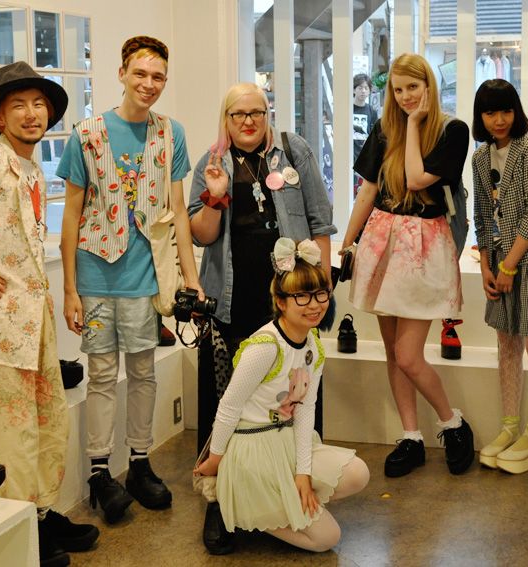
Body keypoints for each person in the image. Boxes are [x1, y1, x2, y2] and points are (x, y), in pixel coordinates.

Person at [0, 61, 98, 566]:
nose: (32, 114)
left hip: (31, 320)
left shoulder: (29, 168)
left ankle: (42, 514)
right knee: (13, 434)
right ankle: (22, 537)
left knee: (49, 421)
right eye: (19, 106)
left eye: (39, 104)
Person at [57, 35, 202, 523]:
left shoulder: (171, 133)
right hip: (96, 274)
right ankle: (100, 473)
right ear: (121, 73)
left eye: (158, 76)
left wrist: (190, 276)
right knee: (101, 375)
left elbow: (178, 211)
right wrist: (70, 289)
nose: (149, 83)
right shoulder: (87, 134)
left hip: (146, 275)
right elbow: (72, 214)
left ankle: (140, 462)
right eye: (140, 73)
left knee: (143, 372)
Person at [188, 81, 335, 554]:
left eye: (257, 112)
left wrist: (321, 286)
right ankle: (219, 496)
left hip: (289, 299)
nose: (248, 121)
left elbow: (320, 220)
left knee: (297, 390)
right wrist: (214, 197)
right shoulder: (211, 162)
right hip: (233, 299)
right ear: (226, 119)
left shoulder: (294, 151)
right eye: (239, 114)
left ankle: (297, 481)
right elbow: (201, 234)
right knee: (227, 397)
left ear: (268, 113)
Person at [341, 53, 475, 477]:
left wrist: (414, 124)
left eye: (413, 87)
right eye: (397, 90)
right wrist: (347, 243)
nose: (404, 97)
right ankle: (411, 436)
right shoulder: (384, 129)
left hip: (423, 245)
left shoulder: (452, 131)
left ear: (429, 85)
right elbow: (368, 191)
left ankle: (452, 423)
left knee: (408, 354)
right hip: (382, 239)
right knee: (392, 352)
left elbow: (417, 180)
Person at [194, 238, 369, 553]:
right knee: (327, 538)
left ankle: (270, 505)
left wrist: (303, 474)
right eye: (301, 296)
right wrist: (215, 461)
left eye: (320, 294)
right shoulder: (265, 346)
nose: (314, 305)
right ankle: (242, 507)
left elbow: (305, 411)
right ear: (281, 301)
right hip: (251, 447)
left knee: (358, 473)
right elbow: (229, 406)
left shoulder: (313, 346)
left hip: (285, 442)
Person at [470, 79, 528, 474]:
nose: (499, 120)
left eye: (506, 110)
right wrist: (486, 265)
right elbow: (482, 214)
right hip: (500, 261)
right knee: (505, 343)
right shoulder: (480, 157)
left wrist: (508, 265)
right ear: (480, 116)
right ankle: (510, 427)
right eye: (490, 112)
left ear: (517, 111)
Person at [353, 73, 379, 198]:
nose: (363, 91)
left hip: (364, 154)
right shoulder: (348, 109)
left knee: (362, 188)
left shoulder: (371, 111)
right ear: (354, 90)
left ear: (369, 91)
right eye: (360, 88)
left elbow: (374, 134)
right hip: (350, 152)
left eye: (366, 88)